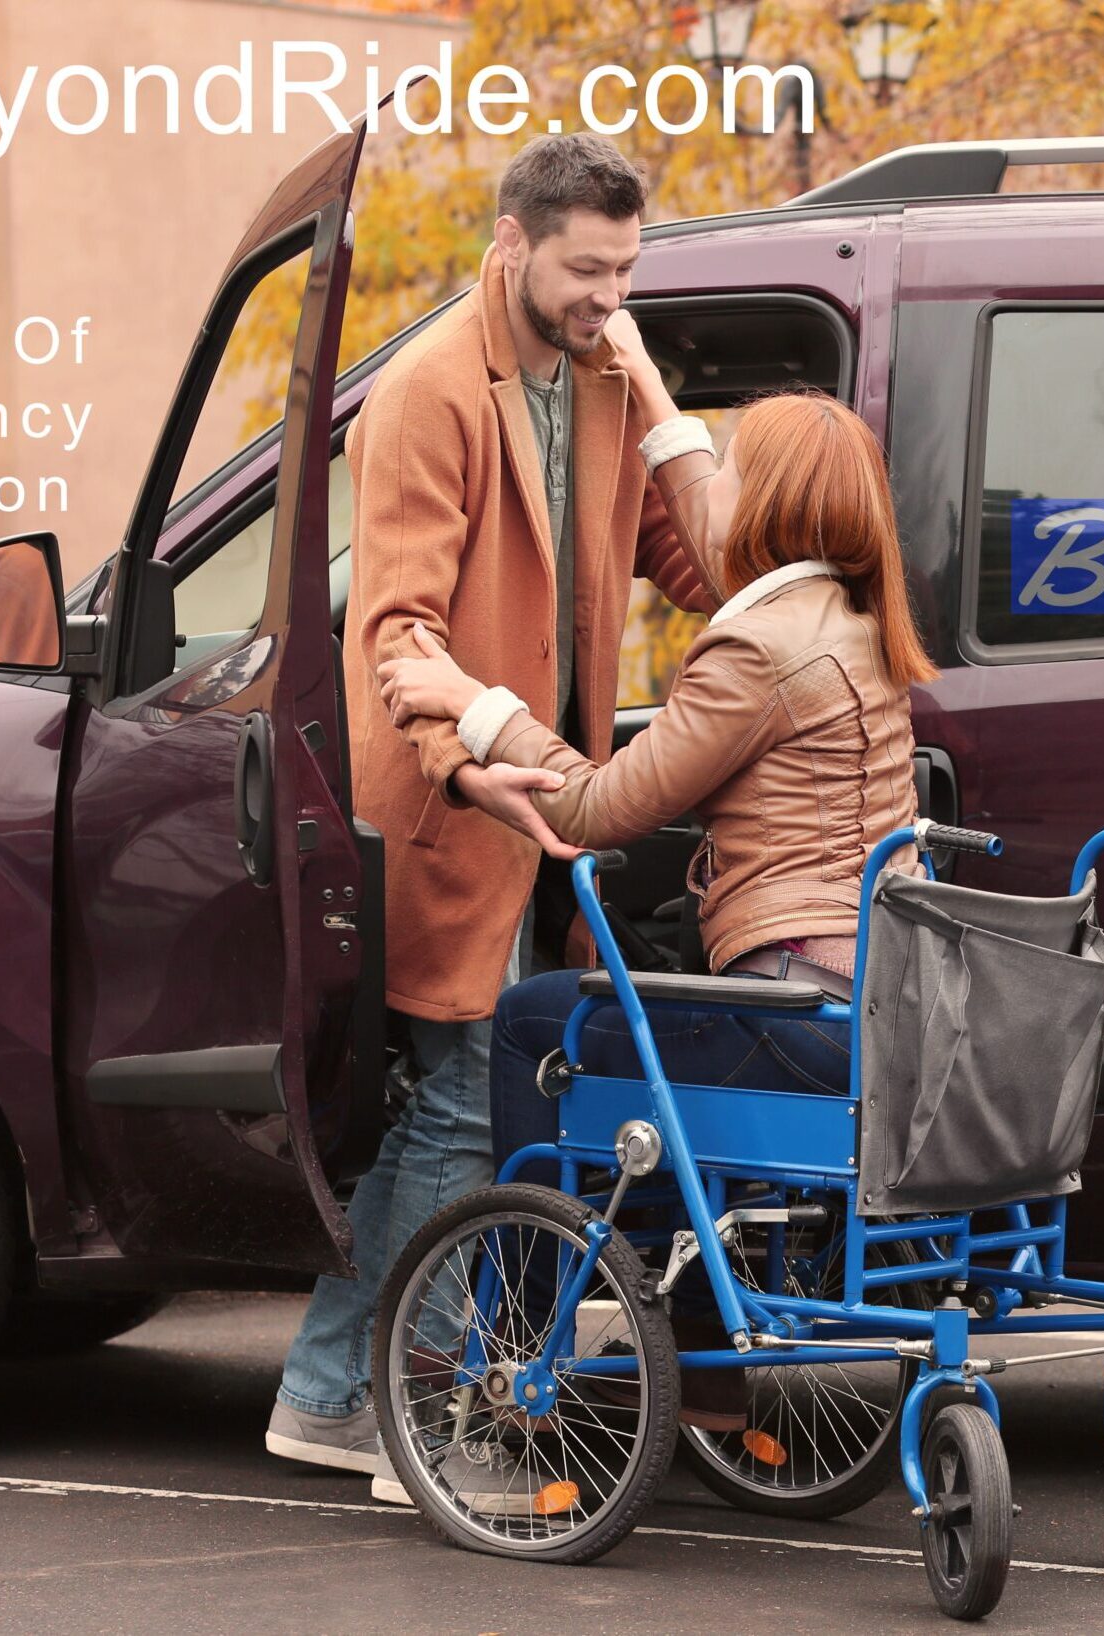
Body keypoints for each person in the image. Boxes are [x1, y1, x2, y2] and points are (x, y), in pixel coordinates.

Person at [265, 133, 718, 1500]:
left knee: (470, 1118)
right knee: (462, 1113)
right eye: (588, 271)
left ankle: (339, 1388)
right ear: (513, 247)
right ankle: (392, 1407)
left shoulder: (598, 376)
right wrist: (492, 739)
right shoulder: (423, 392)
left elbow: (706, 566)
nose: (609, 295)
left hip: (552, 814)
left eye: (626, 271)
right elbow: (395, 634)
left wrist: (661, 406)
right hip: (460, 806)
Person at [375, 384, 938, 1436]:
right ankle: (706, 1371)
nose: (703, 487)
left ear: (763, 500)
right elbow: (712, 519)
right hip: (876, 1012)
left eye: (723, 468)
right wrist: (649, 387)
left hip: (793, 1019)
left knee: (542, 1020)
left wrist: (472, 701)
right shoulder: (859, 623)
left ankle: (524, 1344)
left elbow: (590, 808)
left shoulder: (757, 652)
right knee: (664, 1045)